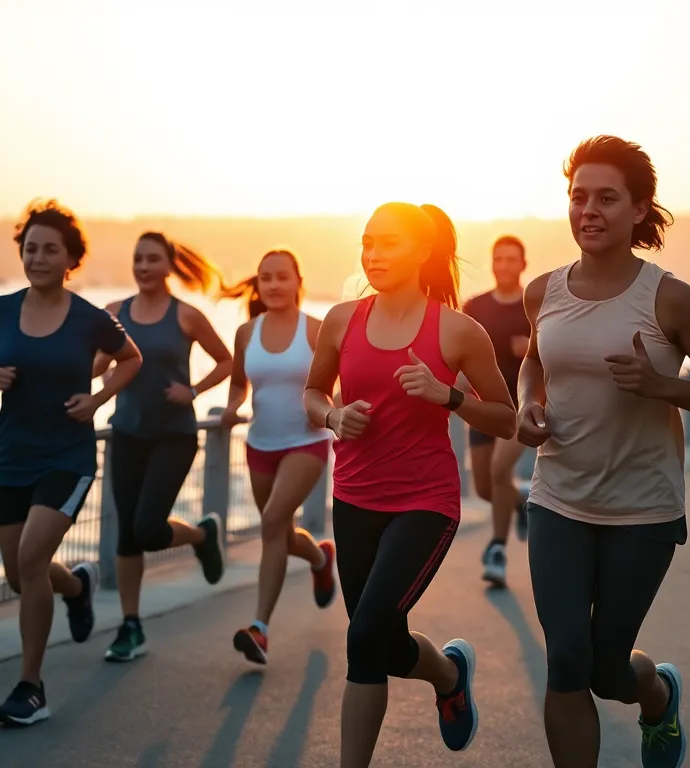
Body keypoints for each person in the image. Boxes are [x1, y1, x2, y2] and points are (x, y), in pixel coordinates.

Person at [516, 136, 690, 768]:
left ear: (639, 208)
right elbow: (533, 364)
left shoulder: (668, 298)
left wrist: (662, 386)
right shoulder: (542, 291)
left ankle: (656, 693)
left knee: (606, 670)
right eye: (578, 197)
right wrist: (526, 403)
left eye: (606, 198)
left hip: (642, 509)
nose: (587, 210)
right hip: (557, 496)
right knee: (566, 659)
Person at [302, 202, 516, 766]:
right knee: (382, 642)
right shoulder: (341, 320)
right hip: (352, 499)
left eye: (388, 243)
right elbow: (313, 393)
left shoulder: (457, 330)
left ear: (422, 250)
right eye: (367, 243)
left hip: (425, 503)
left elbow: (506, 417)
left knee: (364, 635)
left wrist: (448, 395)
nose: (373, 254)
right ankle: (447, 672)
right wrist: (331, 417)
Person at [0, 199, 143, 726]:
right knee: (21, 575)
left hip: (68, 456)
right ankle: (77, 586)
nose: (38, 257)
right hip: (14, 455)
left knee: (31, 559)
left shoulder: (90, 319)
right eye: (30, 247)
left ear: (70, 259)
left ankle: (31, 686)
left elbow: (132, 359)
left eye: (50, 250)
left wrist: (98, 399)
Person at [94, 231, 234, 663]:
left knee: (149, 529)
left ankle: (199, 534)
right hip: (128, 432)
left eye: (152, 259)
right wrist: (99, 371)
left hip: (174, 435)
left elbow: (227, 360)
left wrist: (192, 391)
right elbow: (97, 363)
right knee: (128, 536)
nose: (143, 266)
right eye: (138, 258)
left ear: (169, 265)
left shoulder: (186, 316)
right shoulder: (113, 313)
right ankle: (130, 625)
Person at [219, 248, 339, 665]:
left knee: (271, 523)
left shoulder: (317, 330)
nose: (273, 285)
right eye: (265, 277)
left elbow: (335, 385)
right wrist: (232, 408)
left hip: (305, 442)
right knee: (280, 534)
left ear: (297, 282)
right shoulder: (246, 333)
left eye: (282, 277)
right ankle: (321, 557)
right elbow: (239, 385)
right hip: (260, 445)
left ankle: (260, 629)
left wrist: (337, 413)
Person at [461, 234, 533, 587]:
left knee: (500, 469)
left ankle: (497, 550)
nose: (504, 265)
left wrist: (533, 348)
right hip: (483, 406)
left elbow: (558, 351)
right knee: (487, 487)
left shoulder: (534, 306)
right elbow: (460, 355)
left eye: (511, 259)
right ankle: (523, 501)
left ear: (523, 264)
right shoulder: (475, 307)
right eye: (498, 259)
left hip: (523, 405)